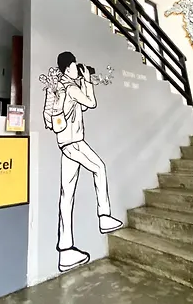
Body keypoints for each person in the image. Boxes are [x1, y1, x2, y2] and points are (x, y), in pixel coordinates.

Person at [53, 51, 122, 272]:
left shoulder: (62, 87)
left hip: (65, 143)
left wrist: (83, 81)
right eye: (75, 66)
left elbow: (80, 107)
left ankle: (65, 250)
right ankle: (104, 216)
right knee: (99, 168)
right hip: (74, 142)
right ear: (68, 68)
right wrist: (88, 82)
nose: (78, 68)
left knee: (66, 194)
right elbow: (91, 103)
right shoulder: (71, 88)